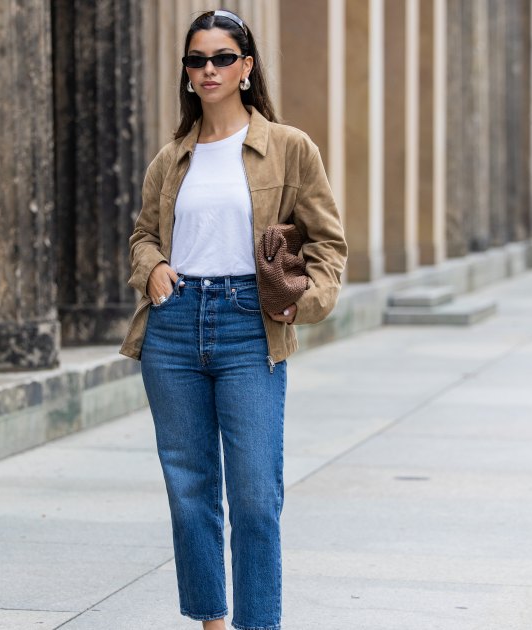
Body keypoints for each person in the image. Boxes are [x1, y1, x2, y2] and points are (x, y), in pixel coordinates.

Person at [119, 9, 347, 630]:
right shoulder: (172, 159)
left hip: (251, 324)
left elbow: (329, 243)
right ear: (187, 73)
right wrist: (154, 267)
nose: (209, 69)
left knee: (254, 498)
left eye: (222, 58)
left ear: (246, 68)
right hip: (174, 324)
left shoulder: (289, 147)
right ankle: (212, 622)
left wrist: (307, 301)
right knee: (190, 490)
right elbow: (142, 235)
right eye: (198, 60)